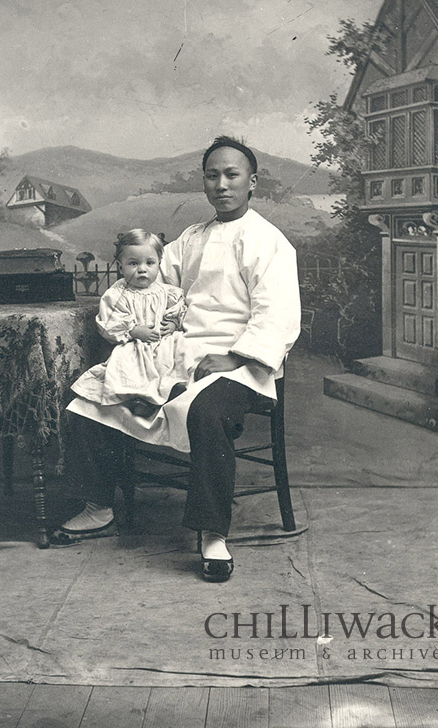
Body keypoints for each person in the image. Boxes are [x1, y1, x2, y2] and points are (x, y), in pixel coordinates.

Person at [51, 136, 301, 584]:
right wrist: (133, 322)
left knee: (203, 411)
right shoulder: (192, 238)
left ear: (253, 182)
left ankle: (212, 532)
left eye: (232, 175)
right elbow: (150, 286)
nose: (221, 184)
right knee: (92, 393)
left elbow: (277, 315)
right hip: (178, 349)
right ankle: (98, 506)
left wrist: (233, 356)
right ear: (204, 182)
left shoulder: (269, 242)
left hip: (240, 360)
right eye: (212, 175)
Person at [70, 229, 189, 418]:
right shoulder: (118, 294)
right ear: (120, 267)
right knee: (128, 363)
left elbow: (178, 311)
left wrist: (173, 324)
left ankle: (170, 392)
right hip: (135, 344)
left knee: (178, 353)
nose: (142, 269)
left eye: (150, 263)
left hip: (162, 341)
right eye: (133, 263)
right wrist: (133, 330)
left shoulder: (167, 292)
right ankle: (140, 399)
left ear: (159, 263)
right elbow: (110, 321)